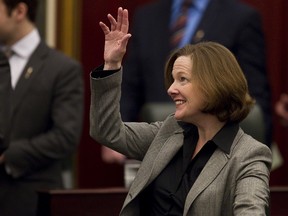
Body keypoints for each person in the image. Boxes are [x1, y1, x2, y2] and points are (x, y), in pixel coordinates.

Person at [90, 7, 272, 215]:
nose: (170, 89)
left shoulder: (249, 155)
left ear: (213, 85)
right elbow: (107, 131)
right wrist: (112, 64)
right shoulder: (169, 131)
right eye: (173, 80)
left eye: (182, 79)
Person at [102, 0, 272, 164]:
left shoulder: (241, 17)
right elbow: (132, 84)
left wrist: (248, 154)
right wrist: (120, 129)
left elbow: (254, 94)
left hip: (217, 149)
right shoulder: (147, 15)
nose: (172, 89)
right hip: (158, 147)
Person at [0, 0, 84, 215]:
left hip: (31, 198)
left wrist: (8, 156)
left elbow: (65, 137)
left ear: (19, 11)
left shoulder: (63, 69)